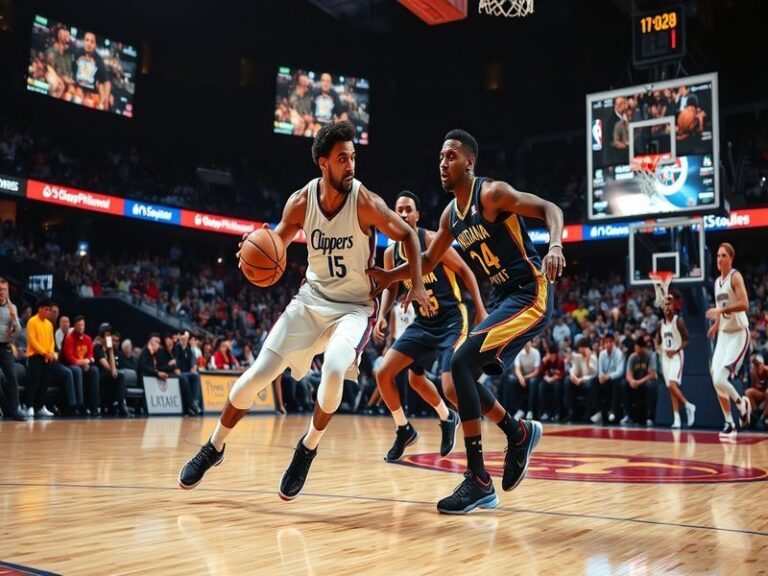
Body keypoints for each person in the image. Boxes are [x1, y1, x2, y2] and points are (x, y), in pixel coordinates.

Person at [179, 121, 431, 498]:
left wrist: (414, 281)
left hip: (353, 308)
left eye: (353, 158)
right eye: (342, 159)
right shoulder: (300, 201)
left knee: (332, 369)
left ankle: (307, 447)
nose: (351, 165)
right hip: (310, 300)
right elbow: (275, 242)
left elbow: (410, 236)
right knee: (254, 377)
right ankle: (214, 446)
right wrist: (253, 250)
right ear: (322, 162)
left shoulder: (366, 202)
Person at [369, 129, 565, 514]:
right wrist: (389, 277)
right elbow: (426, 260)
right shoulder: (450, 216)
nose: (443, 163)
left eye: (451, 156)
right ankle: (517, 432)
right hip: (504, 298)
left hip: (531, 292)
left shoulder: (491, 194)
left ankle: (478, 478)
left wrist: (555, 245)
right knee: (459, 386)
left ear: (469, 163)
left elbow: (551, 209)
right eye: (440, 157)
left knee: (459, 364)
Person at [374, 190, 487, 462]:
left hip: (451, 320)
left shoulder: (431, 240)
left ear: (416, 215)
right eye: (398, 209)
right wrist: (382, 314)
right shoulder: (391, 253)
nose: (402, 213)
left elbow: (465, 271)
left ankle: (483, 430)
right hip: (424, 322)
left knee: (450, 387)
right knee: (388, 374)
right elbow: (391, 286)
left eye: (408, 209)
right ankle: (409, 428)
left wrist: (480, 308)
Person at [706, 242, 751, 440]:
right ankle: (730, 423)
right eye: (717, 256)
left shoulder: (735, 276)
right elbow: (721, 306)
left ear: (731, 258)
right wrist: (716, 324)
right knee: (715, 379)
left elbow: (744, 304)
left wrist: (722, 311)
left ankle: (741, 403)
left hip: (739, 332)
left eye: (723, 255)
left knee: (720, 379)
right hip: (724, 334)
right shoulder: (717, 282)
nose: (719, 259)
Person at [655, 296, 695, 429]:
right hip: (665, 357)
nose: (667, 307)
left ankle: (689, 405)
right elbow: (657, 339)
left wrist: (676, 350)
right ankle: (676, 418)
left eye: (670, 304)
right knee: (671, 388)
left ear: (674, 306)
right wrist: (657, 347)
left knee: (672, 384)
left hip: (676, 356)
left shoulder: (679, 321)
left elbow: (687, 340)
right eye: (665, 305)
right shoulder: (661, 324)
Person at [0, 278, 27, 420]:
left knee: (11, 377)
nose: (2, 292)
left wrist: (14, 320)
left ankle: (15, 410)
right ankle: (6, 407)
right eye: (0, 289)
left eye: (4, 289)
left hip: (5, 346)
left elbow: (17, 331)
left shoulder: (13, 308)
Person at [620, 336, 658, 426]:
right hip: (635, 383)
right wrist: (632, 381)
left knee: (650, 385)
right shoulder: (632, 357)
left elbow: (652, 375)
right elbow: (628, 374)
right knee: (624, 384)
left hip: (646, 383)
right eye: (636, 348)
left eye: (639, 348)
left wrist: (639, 382)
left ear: (644, 348)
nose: (637, 350)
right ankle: (628, 415)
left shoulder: (650, 356)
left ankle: (650, 417)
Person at [72, 31, 111, 111]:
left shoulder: (98, 60)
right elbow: (72, 73)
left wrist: (105, 99)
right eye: (87, 40)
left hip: (92, 93)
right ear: (83, 42)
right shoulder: (77, 54)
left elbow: (106, 81)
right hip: (78, 89)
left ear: (95, 45)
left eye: (92, 41)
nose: (89, 44)